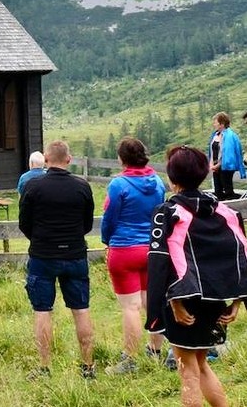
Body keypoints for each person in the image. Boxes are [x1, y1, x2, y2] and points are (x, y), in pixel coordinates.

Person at [147, 145, 247, 407]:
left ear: (171, 177)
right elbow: (240, 255)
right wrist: (236, 301)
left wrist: (171, 304)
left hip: (182, 302)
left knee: (188, 370)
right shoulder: (225, 212)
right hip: (216, 301)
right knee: (201, 363)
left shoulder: (167, 212)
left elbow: (160, 262)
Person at [19, 140, 95, 379]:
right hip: (74, 254)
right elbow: (87, 224)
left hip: (43, 255)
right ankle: (88, 366)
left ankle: (44, 367)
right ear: (69, 159)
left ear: (46, 160)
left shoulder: (33, 187)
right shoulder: (82, 187)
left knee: (43, 311)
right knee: (81, 310)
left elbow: (24, 224)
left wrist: (40, 238)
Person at [97, 137, 168, 374]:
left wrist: (107, 240)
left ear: (122, 159)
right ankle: (155, 351)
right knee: (153, 302)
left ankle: (130, 357)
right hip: (152, 248)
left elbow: (110, 218)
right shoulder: (157, 182)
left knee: (131, 307)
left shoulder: (119, 185)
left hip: (124, 249)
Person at [207, 112, 245, 201]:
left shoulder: (229, 136)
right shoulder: (215, 135)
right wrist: (211, 164)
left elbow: (228, 154)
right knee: (218, 191)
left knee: (228, 190)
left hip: (225, 167)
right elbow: (211, 151)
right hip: (216, 167)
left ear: (222, 124)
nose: (214, 124)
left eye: (216, 122)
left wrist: (218, 165)